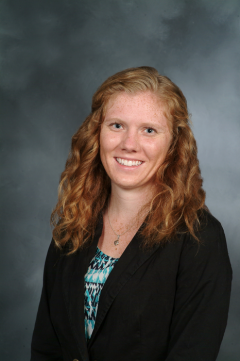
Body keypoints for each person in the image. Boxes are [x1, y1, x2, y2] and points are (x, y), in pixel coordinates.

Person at [31, 66, 232, 361]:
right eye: (116, 125)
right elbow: (45, 348)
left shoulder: (199, 238)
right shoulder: (72, 225)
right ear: (96, 132)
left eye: (149, 130)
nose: (128, 144)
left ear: (174, 145)